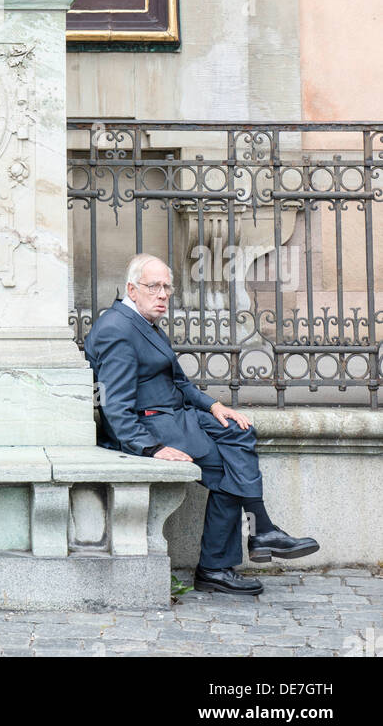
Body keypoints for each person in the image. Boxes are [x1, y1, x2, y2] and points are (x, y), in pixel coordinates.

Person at [83, 254, 319, 594]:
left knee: (239, 430)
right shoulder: (118, 330)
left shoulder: (143, 322)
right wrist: (151, 448)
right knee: (227, 471)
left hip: (177, 416)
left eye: (167, 287)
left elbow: (179, 383)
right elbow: (114, 406)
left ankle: (259, 533)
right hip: (153, 427)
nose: (163, 294)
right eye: (154, 287)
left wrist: (215, 405)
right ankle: (224, 560)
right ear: (132, 290)